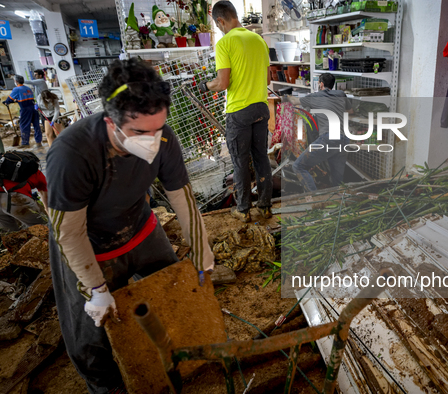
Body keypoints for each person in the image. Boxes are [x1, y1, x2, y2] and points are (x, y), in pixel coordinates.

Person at [46, 59, 215, 393]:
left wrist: (203, 252)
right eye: (140, 133)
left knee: (175, 294)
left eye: (159, 128)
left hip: (139, 227)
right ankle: (107, 388)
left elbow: (182, 198)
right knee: (91, 336)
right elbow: (70, 232)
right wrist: (95, 288)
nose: (153, 140)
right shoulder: (72, 153)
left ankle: (173, 366)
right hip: (86, 243)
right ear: (111, 122)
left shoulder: (164, 138)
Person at [199, 0, 273, 223]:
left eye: (218, 25)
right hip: (261, 108)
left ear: (220, 20)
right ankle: (265, 206)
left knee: (240, 162)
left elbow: (222, 83)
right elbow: (268, 79)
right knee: (261, 158)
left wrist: (205, 86)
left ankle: (242, 209)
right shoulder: (259, 40)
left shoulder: (225, 43)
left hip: (239, 112)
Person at [286, 73, 352, 191]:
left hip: (328, 139)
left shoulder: (315, 96)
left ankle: (314, 198)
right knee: (337, 180)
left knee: (298, 166)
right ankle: (337, 203)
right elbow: (350, 110)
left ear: (320, 84)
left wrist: (285, 97)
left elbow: (295, 101)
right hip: (343, 140)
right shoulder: (341, 94)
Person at [0, 162, 47, 231]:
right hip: (16, 199)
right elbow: (46, 197)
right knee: (43, 229)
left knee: (8, 237)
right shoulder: (33, 170)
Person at [4, 75, 42, 149]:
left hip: (25, 109)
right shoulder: (28, 88)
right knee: (36, 125)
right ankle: (38, 142)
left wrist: (6, 102)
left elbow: (9, 99)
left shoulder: (16, 89)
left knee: (24, 125)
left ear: (16, 81)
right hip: (34, 108)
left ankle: (25, 143)